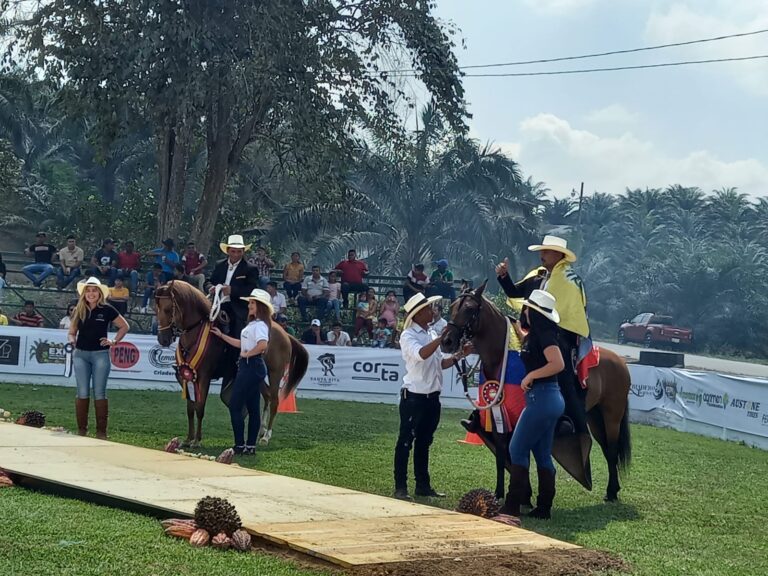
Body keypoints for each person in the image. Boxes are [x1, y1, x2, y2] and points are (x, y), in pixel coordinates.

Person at [496, 235, 592, 484]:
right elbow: (515, 292)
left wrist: (548, 331)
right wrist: (504, 276)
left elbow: (573, 310)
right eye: (543, 251)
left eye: (548, 252)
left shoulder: (569, 280)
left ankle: (574, 424)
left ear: (560, 256)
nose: (543, 255)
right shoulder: (537, 276)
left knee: (562, 373)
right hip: (537, 331)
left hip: (562, 333)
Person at [393, 293, 468, 501]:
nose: (432, 311)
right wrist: (439, 340)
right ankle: (400, 486)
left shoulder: (431, 332)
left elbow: (440, 363)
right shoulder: (408, 336)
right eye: (427, 309)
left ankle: (422, 485)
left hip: (431, 397)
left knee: (424, 442)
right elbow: (421, 354)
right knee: (406, 442)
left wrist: (459, 355)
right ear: (417, 314)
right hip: (414, 397)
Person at [501, 290, 565, 520]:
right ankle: (544, 507)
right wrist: (517, 328)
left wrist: (531, 376)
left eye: (526, 309)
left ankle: (512, 504)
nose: (524, 312)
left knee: (517, 448)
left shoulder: (544, 336)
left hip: (541, 398)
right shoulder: (539, 334)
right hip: (548, 398)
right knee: (542, 453)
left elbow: (557, 363)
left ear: (534, 312)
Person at [211, 288, 272, 455]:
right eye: (250, 303)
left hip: (250, 366)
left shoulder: (259, 325)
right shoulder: (254, 324)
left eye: (253, 303)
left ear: (260, 306)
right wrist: (222, 336)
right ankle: (249, 446)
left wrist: (247, 354)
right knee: (252, 407)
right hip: (250, 366)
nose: (250, 305)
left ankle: (240, 444)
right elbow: (242, 343)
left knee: (235, 406)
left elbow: (262, 345)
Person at [68, 277, 130, 439]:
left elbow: (124, 326)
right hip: (80, 354)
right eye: (88, 291)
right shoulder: (78, 310)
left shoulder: (107, 309)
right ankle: (82, 430)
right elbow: (71, 332)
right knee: (82, 392)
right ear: (84, 294)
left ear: (100, 293)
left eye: (94, 290)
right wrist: (72, 340)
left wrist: (114, 341)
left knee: (100, 392)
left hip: (100, 355)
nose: (91, 293)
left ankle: (101, 432)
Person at [208, 234, 260, 338]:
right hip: (217, 305)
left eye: (239, 251)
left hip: (238, 307)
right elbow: (209, 281)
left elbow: (252, 289)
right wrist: (210, 288)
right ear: (228, 251)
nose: (236, 254)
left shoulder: (250, 268)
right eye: (233, 251)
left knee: (237, 331)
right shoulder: (220, 265)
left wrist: (232, 290)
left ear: (243, 251)